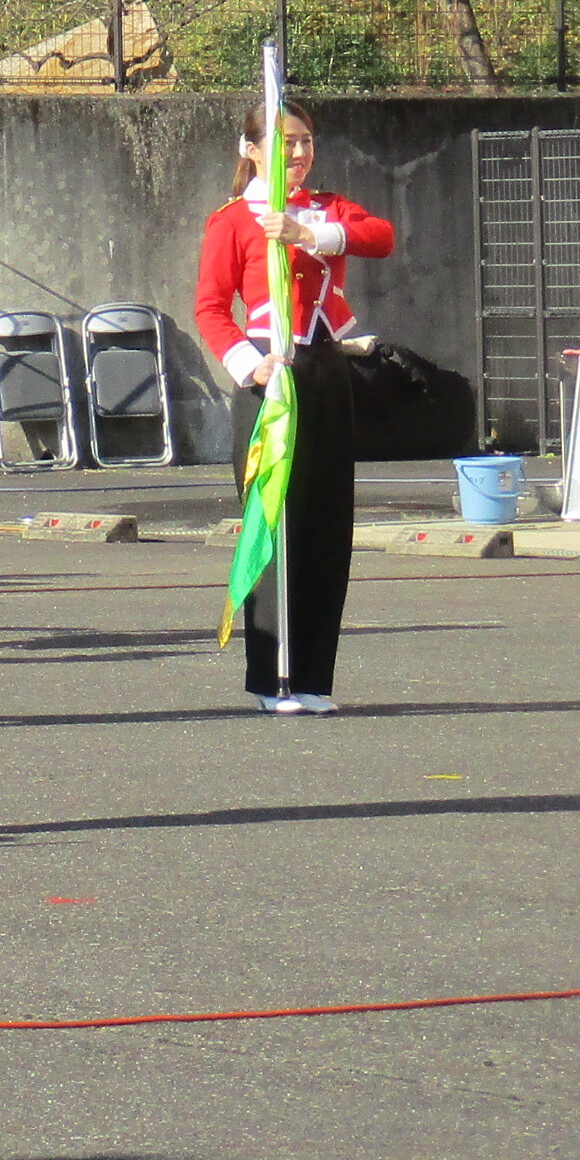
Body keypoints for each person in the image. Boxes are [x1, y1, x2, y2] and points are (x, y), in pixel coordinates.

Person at [194, 100, 393, 716]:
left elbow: (379, 237)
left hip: (324, 373)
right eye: (286, 144)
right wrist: (246, 367)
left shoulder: (325, 209)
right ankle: (269, 677)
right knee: (273, 528)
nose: (300, 154)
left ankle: (312, 676)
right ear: (250, 150)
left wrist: (312, 234)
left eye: (307, 142)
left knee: (325, 530)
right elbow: (209, 307)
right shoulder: (231, 221)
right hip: (267, 379)